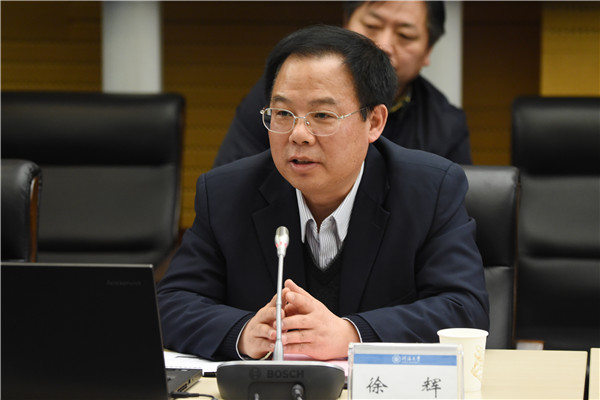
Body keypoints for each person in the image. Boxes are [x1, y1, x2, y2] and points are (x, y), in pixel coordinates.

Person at [157, 25, 489, 361]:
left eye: (322, 115)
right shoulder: (226, 193)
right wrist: (244, 332)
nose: (299, 134)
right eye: (283, 113)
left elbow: (464, 309)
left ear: (374, 122)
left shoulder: (429, 190)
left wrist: (351, 335)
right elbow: (170, 303)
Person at [212, 1, 472, 168]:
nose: (383, 45)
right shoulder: (283, 97)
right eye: (372, 25)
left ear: (428, 51)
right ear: (346, 25)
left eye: (405, 35)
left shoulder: (446, 125)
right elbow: (233, 181)